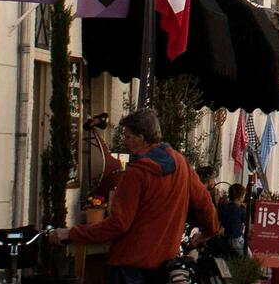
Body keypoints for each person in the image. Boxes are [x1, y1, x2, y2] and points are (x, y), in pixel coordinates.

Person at [53, 109, 221, 284]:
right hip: (164, 265)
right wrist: (208, 233)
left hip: (129, 265)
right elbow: (204, 202)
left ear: (141, 138)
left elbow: (118, 224)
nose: (125, 142)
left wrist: (71, 233)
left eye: (127, 136)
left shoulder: (136, 173)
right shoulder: (181, 164)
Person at [216, 184, 249, 255]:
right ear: (240, 197)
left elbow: (220, 220)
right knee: (249, 256)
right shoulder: (241, 210)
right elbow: (248, 224)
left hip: (226, 237)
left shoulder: (224, 207)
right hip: (237, 238)